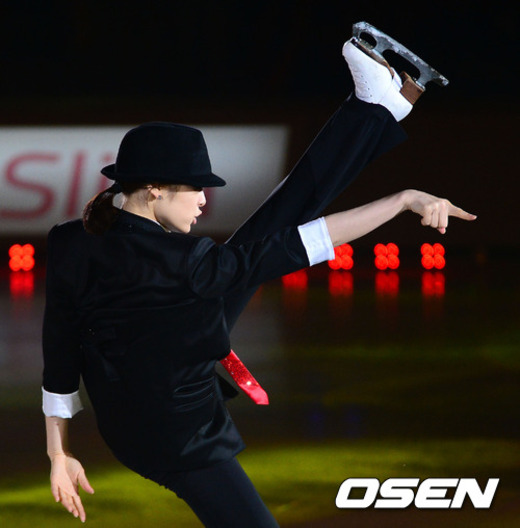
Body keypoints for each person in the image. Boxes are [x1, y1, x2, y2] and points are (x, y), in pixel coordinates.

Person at [42, 34, 476, 527]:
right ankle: (375, 111)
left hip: (143, 403)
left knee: (274, 223)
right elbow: (302, 244)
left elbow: (60, 342)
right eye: (196, 188)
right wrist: (402, 200)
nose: (204, 200)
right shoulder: (186, 263)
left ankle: (376, 109)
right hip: (175, 438)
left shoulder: (73, 239)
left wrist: (58, 452)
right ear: (155, 189)